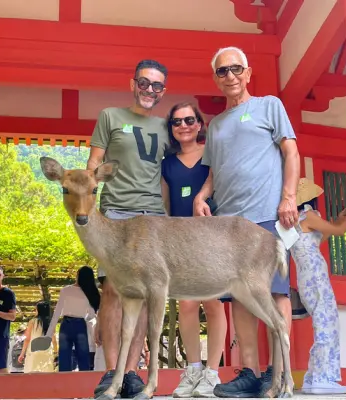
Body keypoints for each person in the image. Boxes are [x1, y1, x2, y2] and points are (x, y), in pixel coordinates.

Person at [193, 46, 300, 398]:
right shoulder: (217, 124)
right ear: (216, 79)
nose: (230, 76)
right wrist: (201, 196)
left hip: (269, 214)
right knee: (239, 296)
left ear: (248, 72)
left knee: (276, 292)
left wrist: (288, 197)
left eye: (236, 69)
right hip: (229, 225)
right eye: (222, 71)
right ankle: (251, 373)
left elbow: (290, 151)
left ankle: (281, 372)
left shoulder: (270, 106)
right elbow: (214, 170)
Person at [87, 59, 170, 398]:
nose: (150, 90)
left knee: (145, 295)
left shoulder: (167, 127)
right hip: (116, 211)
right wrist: (89, 200)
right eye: (145, 82)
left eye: (157, 86)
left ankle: (131, 372)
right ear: (133, 83)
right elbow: (94, 161)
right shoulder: (110, 116)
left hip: (152, 216)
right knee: (112, 290)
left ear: (163, 91)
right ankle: (111, 371)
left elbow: (174, 171)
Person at [161, 102, 227, 398]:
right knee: (186, 305)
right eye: (177, 122)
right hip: (179, 240)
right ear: (171, 128)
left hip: (211, 237)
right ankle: (192, 370)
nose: (184, 125)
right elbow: (165, 203)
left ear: (200, 124)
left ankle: (212, 373)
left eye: (190, 119)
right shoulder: (167, 163)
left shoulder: (211, 156)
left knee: (213, 303)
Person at [291, 178, 346, 395]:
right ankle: (323, 377)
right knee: (327, 323)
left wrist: (339, 220)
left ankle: (313, 377)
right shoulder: (309, 216)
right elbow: (338, 232)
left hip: (305, 275)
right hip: (316, 273)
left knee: (322, 321)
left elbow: (323, 235)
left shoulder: (295, 220)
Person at [46, 266, 100, 372]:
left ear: (78, 275)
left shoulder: (66, 290)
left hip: (66, 324)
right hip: (80, 324)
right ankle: (84, 384)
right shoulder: (89, 293)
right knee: (83, 358)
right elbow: (92, 314)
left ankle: (64, 384)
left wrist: (49, 334)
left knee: (64, 358)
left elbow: (56, 313)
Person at [18, 301, 57, 373]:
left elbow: (27, 339)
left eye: (36, 309)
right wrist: (56, 353)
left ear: (39, 310)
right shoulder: (51, 323)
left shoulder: (32, 322)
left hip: (33, 351)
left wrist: (22, 354)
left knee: (32, 375)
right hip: (47, 352)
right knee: (46, 376)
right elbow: (54, 340)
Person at [0, 266, 17, 374]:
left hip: (0, 336)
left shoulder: (8, 294)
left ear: (3, 276)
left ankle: (7, 390)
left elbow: (12, 317)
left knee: (1, 367)